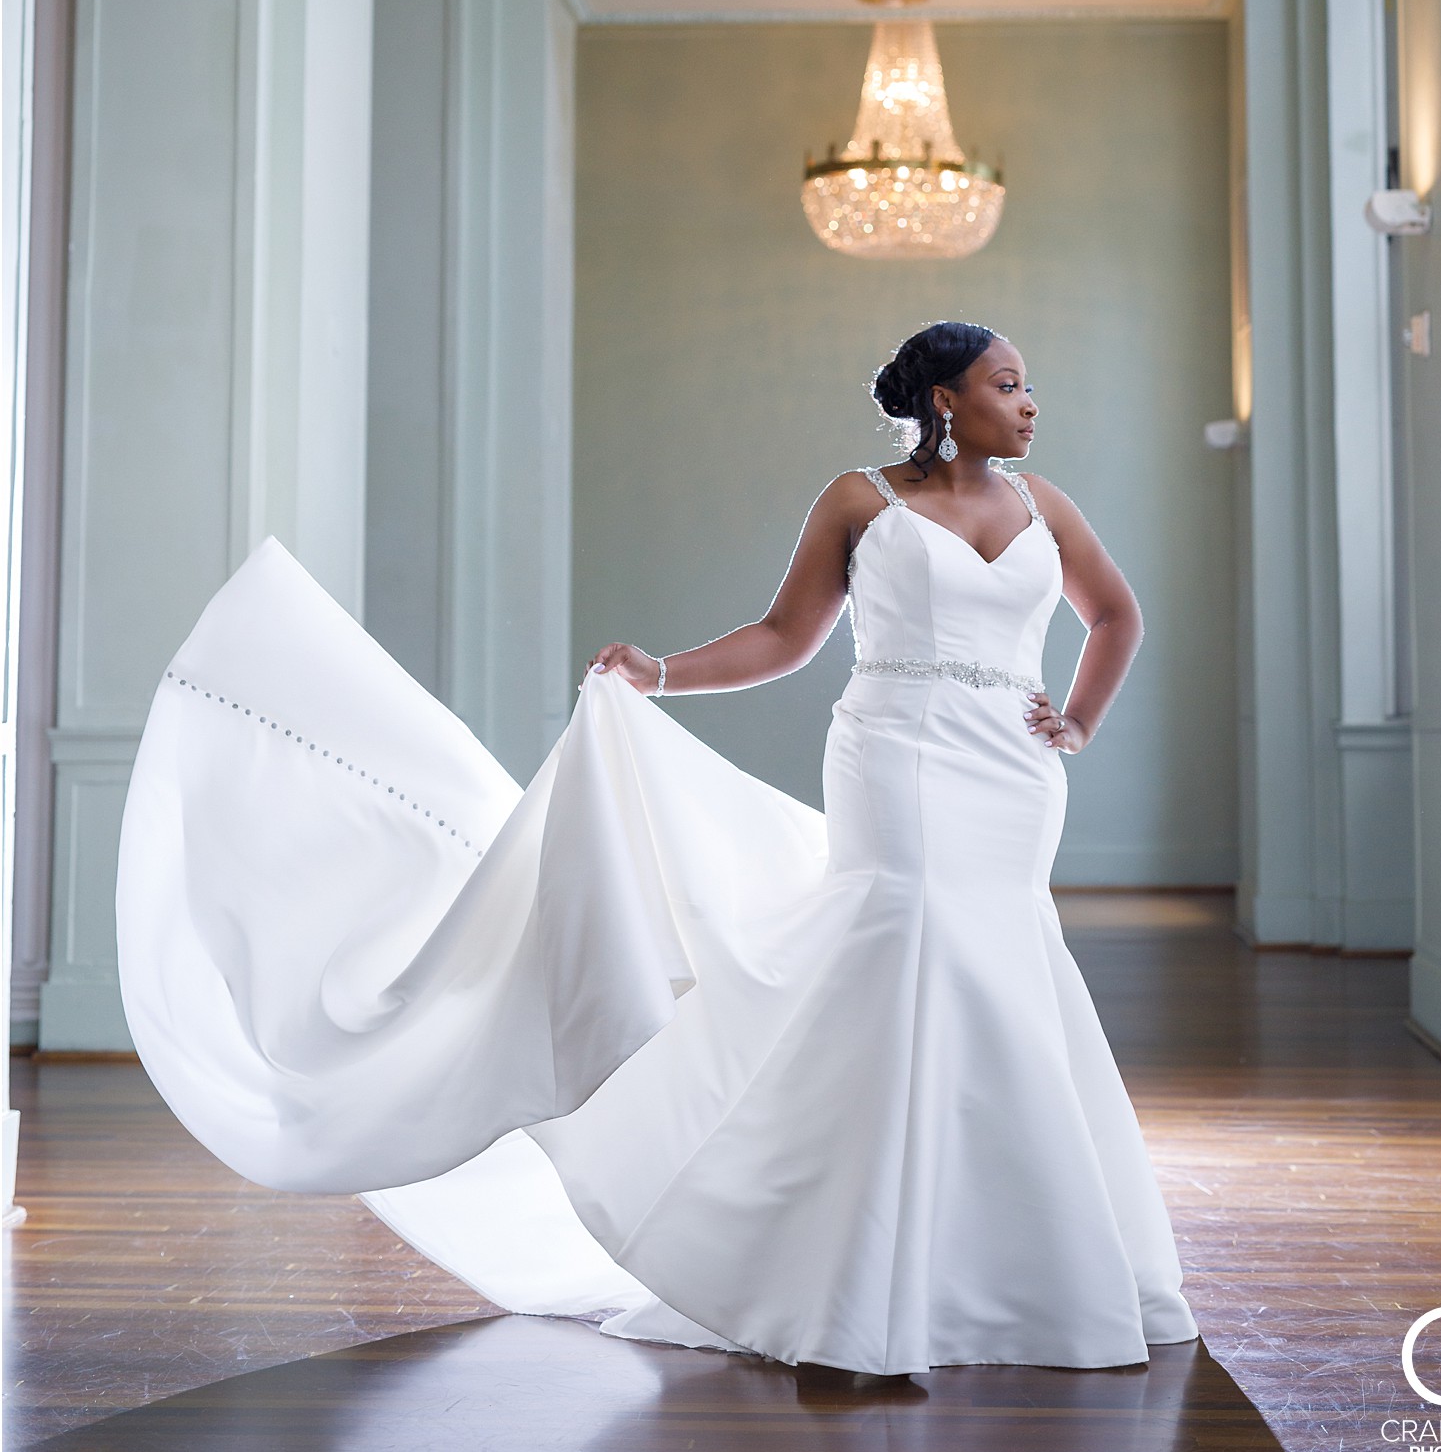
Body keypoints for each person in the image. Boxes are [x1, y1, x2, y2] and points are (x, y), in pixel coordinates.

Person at [117, 321, 1199, 1378]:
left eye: (1027, 384)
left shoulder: (1041, 505)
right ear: (945, 401)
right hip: (897, 758)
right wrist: (660, 671)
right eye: (1007, 383)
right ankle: (849, 1263)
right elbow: (784, 638)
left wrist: (1080, 721)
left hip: (1009, 778)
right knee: (905, 946)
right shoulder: (860, 501)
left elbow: (1114, 615)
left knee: (1005, 968)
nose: (1028, 401)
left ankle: (1003, 1255)